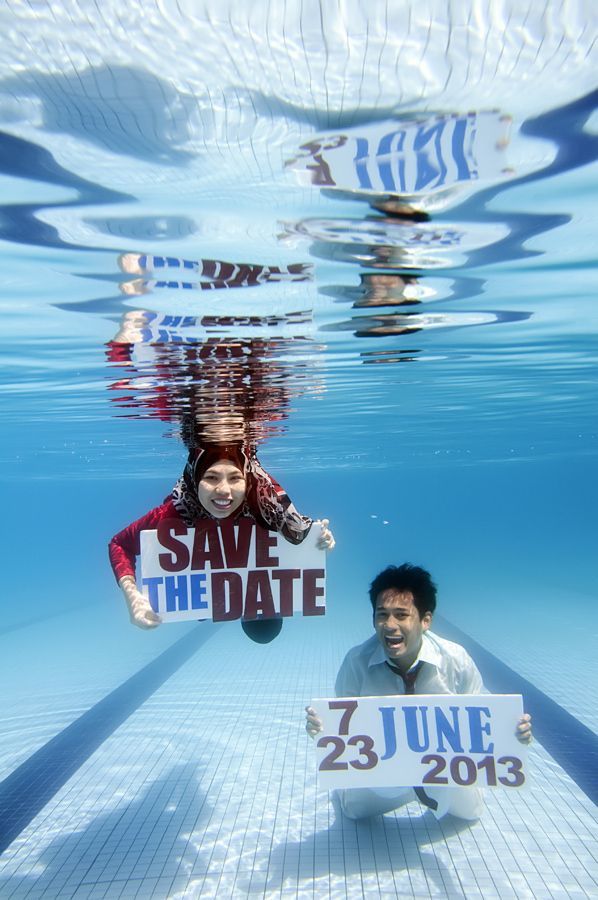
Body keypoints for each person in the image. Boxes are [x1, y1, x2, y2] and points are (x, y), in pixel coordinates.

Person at [306, 563, 532, 821]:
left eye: (401, 615)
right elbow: (339, 726)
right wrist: (320, 727)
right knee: (354, 812)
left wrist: (514, 731)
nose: (389, 625)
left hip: (443, 773)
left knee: (472, 813)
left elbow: (486, 716)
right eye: (381, 615)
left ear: (426, 620)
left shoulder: (455, 660)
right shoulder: (357, 661)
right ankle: (400, 792)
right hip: (384, 773)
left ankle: (427, 791)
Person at [109, 443, 335, 642]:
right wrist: (132, 596)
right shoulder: (178, 511)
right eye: (211, 477)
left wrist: (320, 540)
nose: (224, 491)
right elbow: (120, 544)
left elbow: (302, 534)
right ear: (196, 478)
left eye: (235, 478)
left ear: (247, 480)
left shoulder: (267, 503)